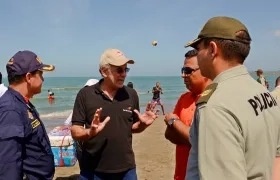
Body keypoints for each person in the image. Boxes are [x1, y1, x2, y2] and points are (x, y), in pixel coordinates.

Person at [184, 16, 280, 180]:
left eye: (199, 48)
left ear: (213, 49)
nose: (198, 55)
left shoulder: (215, 105)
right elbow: (275, 155)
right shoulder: (264, 93)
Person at [71, 48, 159, 180]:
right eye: (119, 70)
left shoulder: (131, 94)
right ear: (104, 71)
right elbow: (75, 131)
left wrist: (143, 125)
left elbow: (131, 128)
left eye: (126, 69)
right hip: (92, 170)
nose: (123, 74)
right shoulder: (85, 95)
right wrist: (90, 132)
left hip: (126, 170)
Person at [0, 50, 55, 179]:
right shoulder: (11, 110)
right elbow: (9, 166)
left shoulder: (22, 103)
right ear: (29, 77)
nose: (42, 79)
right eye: (40, 74)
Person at [164, 49, 211, 180]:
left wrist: (174, 122)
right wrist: (191, 138)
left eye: (188, 71)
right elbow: (168, 134)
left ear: (205, 71)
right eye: (183, 70)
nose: (183, 75)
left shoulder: (214, 100)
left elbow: (204, 142)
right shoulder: (183, 98)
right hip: (180, 175)